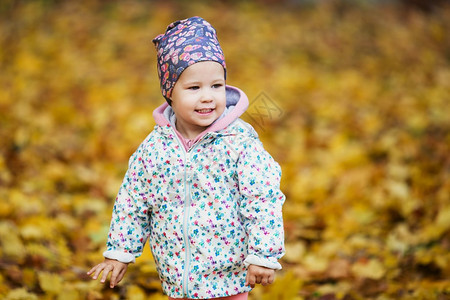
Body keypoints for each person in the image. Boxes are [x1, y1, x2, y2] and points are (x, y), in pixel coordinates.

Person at [87, 16, 285, 300]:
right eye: (194, 88)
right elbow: (133, 200)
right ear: (169, 92)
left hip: (228, 277)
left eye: (216, 86)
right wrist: (120, 253)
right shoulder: (155, 148)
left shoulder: (240, 143)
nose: (208, 97)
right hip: (177, 278)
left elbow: (263, 198)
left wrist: (263, 254)